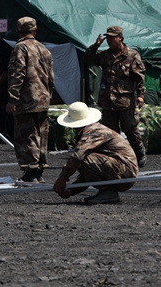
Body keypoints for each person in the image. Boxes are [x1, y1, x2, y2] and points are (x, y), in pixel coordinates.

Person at [84, 26, 147, 168]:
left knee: (130, 128)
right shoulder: (105, 55)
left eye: (112, 37)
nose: (110, 41)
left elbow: (139, 77)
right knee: (110, 132)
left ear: (120, 38)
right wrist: (96, 45)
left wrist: (141, 95)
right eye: (108, 38)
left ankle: (139, 152)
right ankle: (117, 156)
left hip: (125, 101)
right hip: (107, 101)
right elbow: (88, 58)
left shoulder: (131, 55)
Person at [52, 102, 139, 204]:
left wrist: (62, 178)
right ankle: (107, 191)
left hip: (125, 172)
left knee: (82, 158)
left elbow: (79, 157)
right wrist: (72, 190)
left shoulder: (92, 132)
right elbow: (90, 170)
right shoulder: (91, 130)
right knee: (83, 159)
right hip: (122, 170)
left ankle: (108, 192)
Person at [6, 17, 55, 183]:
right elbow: (51, 77)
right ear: (35, 30)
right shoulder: (44, 49)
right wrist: (48, 95)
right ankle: (39, 170)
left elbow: (17, 74)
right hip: (43, 99)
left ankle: (31, 171)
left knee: (27, 135)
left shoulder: (20, 48)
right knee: (42, 135)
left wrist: (13, 98)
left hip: (27, 99)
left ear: (19, 31)